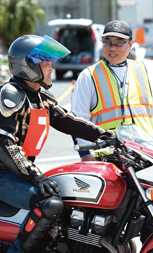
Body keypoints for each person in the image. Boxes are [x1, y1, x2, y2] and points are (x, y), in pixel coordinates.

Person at [0, 35, 113, 253]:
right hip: (3, 175)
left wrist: (104, 135)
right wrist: (36, 176)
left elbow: (68, 121)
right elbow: (4, 143)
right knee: (50, 203)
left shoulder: (41, 97)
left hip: (20, 172)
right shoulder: (11, 95)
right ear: (28, 67)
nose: (52, 69)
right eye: (46, 64)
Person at [72, 19, 153, 161]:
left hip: (146, 158)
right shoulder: (88, 76)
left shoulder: (146, 69)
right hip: (107, 160)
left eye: (119, 42)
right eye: (107, 41)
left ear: (130, 44)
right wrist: (87, 158)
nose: (112, 47)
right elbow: (78, 121)